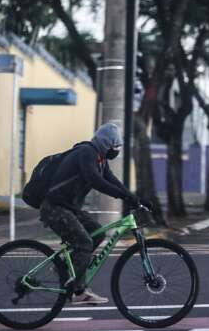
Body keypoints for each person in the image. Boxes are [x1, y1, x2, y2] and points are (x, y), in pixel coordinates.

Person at [39, 123, 146, 305]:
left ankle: (63, 268)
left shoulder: (100, 158)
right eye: (115, 147)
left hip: (68, 207)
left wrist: (133, 197)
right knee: (84, 242)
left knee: (98, 233)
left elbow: (111, 180)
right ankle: (79, 291)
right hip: (54, 207)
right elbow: (95, 181)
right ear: (105, 144)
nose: (116, 151)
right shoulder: (87, 153)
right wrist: (123, 196)